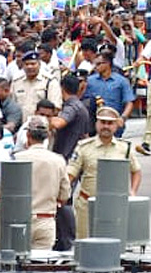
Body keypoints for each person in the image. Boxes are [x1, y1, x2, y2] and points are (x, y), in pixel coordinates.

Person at [68, 107, 142, 238]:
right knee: (85, 242)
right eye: (102, 122)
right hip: (87, 205)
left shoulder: (125, 149)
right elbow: (70, 174)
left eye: (110, 123)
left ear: (116, 125)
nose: (106, 126)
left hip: (114, 207)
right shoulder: (84, 147)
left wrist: (133, 191)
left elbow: (136, 171)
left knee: (113, 244)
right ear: (96, 124)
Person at [13, 117, 72, 250]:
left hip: (18, 221)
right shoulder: (58, 160)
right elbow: (64, 195)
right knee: (41, 265)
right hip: (46, 219)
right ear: (47, 137)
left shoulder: (17, 158)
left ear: (28, 136)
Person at [48, 74, 91, 160]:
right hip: (77, 156)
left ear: (62, 88)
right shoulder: (81, 106)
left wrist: (44, 119)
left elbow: (58, 124)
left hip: (66, 156)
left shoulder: (72, 106)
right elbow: (86, 135)